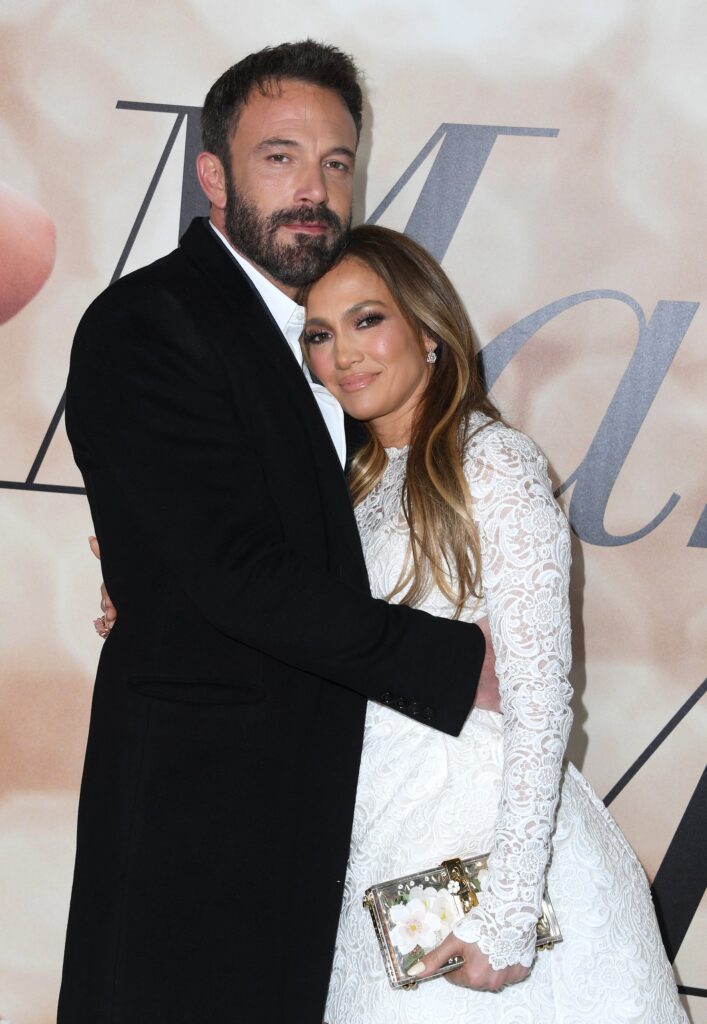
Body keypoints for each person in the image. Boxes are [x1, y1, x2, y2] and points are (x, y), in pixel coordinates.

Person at [58, 42, 495, 1024]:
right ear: (212, 174)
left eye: (336, 163)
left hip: (331, 812)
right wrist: (458, 664)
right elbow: (236, 574)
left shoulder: (342, 341)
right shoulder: (148, 325)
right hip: (196, 834)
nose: (314, 189)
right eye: (280, 157)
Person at [300, 225, 688, 1023]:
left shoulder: (491, 461)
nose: (343, 355)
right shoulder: (351, 484)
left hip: (475, 862)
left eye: (367, 320)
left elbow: (540, 701)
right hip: (374, 853)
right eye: (319, 333)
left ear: (429, 331)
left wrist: (507, 915)